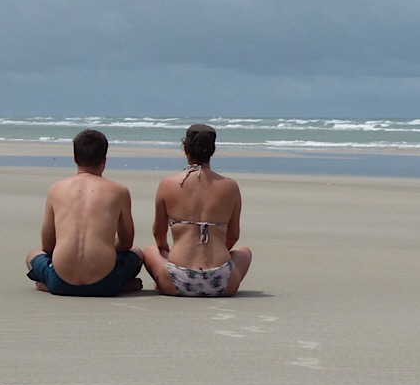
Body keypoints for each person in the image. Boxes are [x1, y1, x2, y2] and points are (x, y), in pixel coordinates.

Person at [25, 129, 144, 296]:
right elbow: (126, 243)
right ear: (104, 159)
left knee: (32, 255)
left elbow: (48, 246)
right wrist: (105, 245)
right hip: (107, 283)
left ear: (75, 158)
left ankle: (48, 283)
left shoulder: (56, 189)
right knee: (137, 254)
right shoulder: (119, 191)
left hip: (61, 282)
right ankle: (122, 283)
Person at [142, 123, 252, 296]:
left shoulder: (167, 184)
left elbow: (159, 234)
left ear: (185, 149)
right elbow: (233, 236)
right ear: (212, 151)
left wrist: (166, 252)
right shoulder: (230, 186)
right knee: (244, 252)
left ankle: (165, 279)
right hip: (222, 280)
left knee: (149, 250)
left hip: (177, 278)